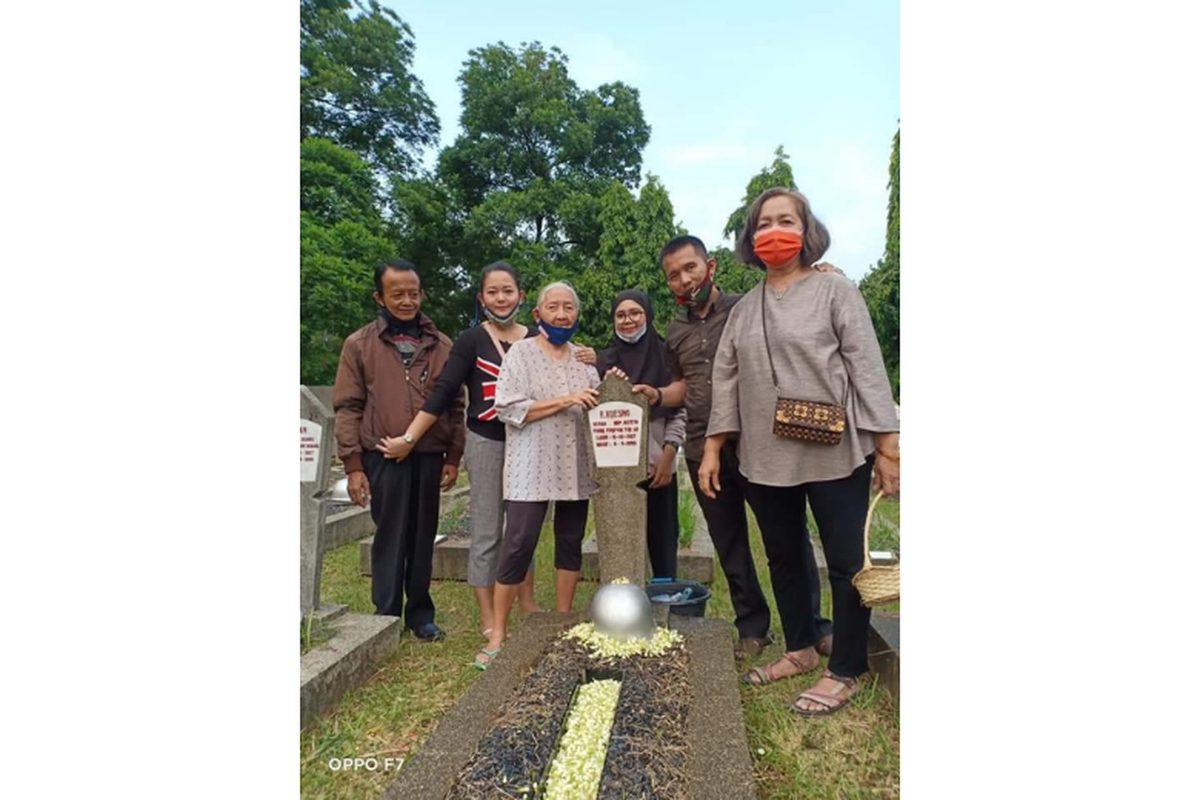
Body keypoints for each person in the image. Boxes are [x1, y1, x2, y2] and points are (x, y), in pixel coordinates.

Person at [698, 188, 900, 717]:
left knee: (845, 561)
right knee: (784, 555)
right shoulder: (745, 309)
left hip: (834, 451)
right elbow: (725, 376)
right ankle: (801, 646)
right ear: (750, 239)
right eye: (763, 223)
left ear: (806, 230)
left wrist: (888, 445)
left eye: (785, 220)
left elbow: (866, 365)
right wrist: (714, 446)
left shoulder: (836, 291)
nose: (774, 231)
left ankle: (846, 668)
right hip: (765, 457)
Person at [630, 235, 835, 662]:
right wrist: (657, 394)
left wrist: (819, 277)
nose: (685, 280)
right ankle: (752, 627)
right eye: (674, 275)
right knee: (729, 543)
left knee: (787, 539)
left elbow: (796, 309)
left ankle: (813, 626)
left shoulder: (750, 307)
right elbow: (684, 385)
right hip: (701, 448)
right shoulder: (675, 331)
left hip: (758, 445)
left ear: (711, 266)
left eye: (690, 268)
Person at [389, 262, 541, 664]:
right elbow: (443, 392)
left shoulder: (537, 337)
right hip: (487, 442)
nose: (501, 298)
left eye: (508, 290)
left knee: (523, 530)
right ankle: (489, 616)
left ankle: (528, 604)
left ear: (521, 295)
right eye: (492, 291)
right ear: (481, 298)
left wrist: (589, 356)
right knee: (488, 531)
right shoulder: (471, 340)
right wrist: (410, 438)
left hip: (529, 444)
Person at [332, 259, 466, 642]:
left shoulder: (442, 345)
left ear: (422, 294)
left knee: (423, 535)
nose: (407, 301)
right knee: (390, 533)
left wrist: (453, 457)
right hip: (383, 454)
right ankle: (386, 613)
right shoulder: (360, 345)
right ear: (380, 297)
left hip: (429, 454)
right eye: (397, 294)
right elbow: (348, 406)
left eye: (413, 293)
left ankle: (420, 614)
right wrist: (353, 465)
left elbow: (455, 405)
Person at [482, 282, 614, 667]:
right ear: (538, 314)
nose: (561, 314)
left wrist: (612, 382)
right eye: (553, 307)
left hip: (575, 465)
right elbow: (506, 407)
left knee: (570, 541)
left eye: (569, 308)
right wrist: (565, 400)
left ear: (577, 314)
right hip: (530, 464)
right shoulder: (521, 354)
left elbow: (600, 405)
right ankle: (498, 632)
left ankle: (563, 620)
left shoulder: (584, 359)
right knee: (519, 543)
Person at [594, 290, 687, 580]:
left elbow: (680, 410)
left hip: (659, 467)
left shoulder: (667, 356)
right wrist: (610, 387)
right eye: (620, 315)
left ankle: (664, 594)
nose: (628, 320)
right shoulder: (604, 361)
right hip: (617, 471)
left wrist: (668, 455)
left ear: (648, 315)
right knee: (621, 540)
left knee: (663, 537)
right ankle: (624, 594)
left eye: (635, 313)